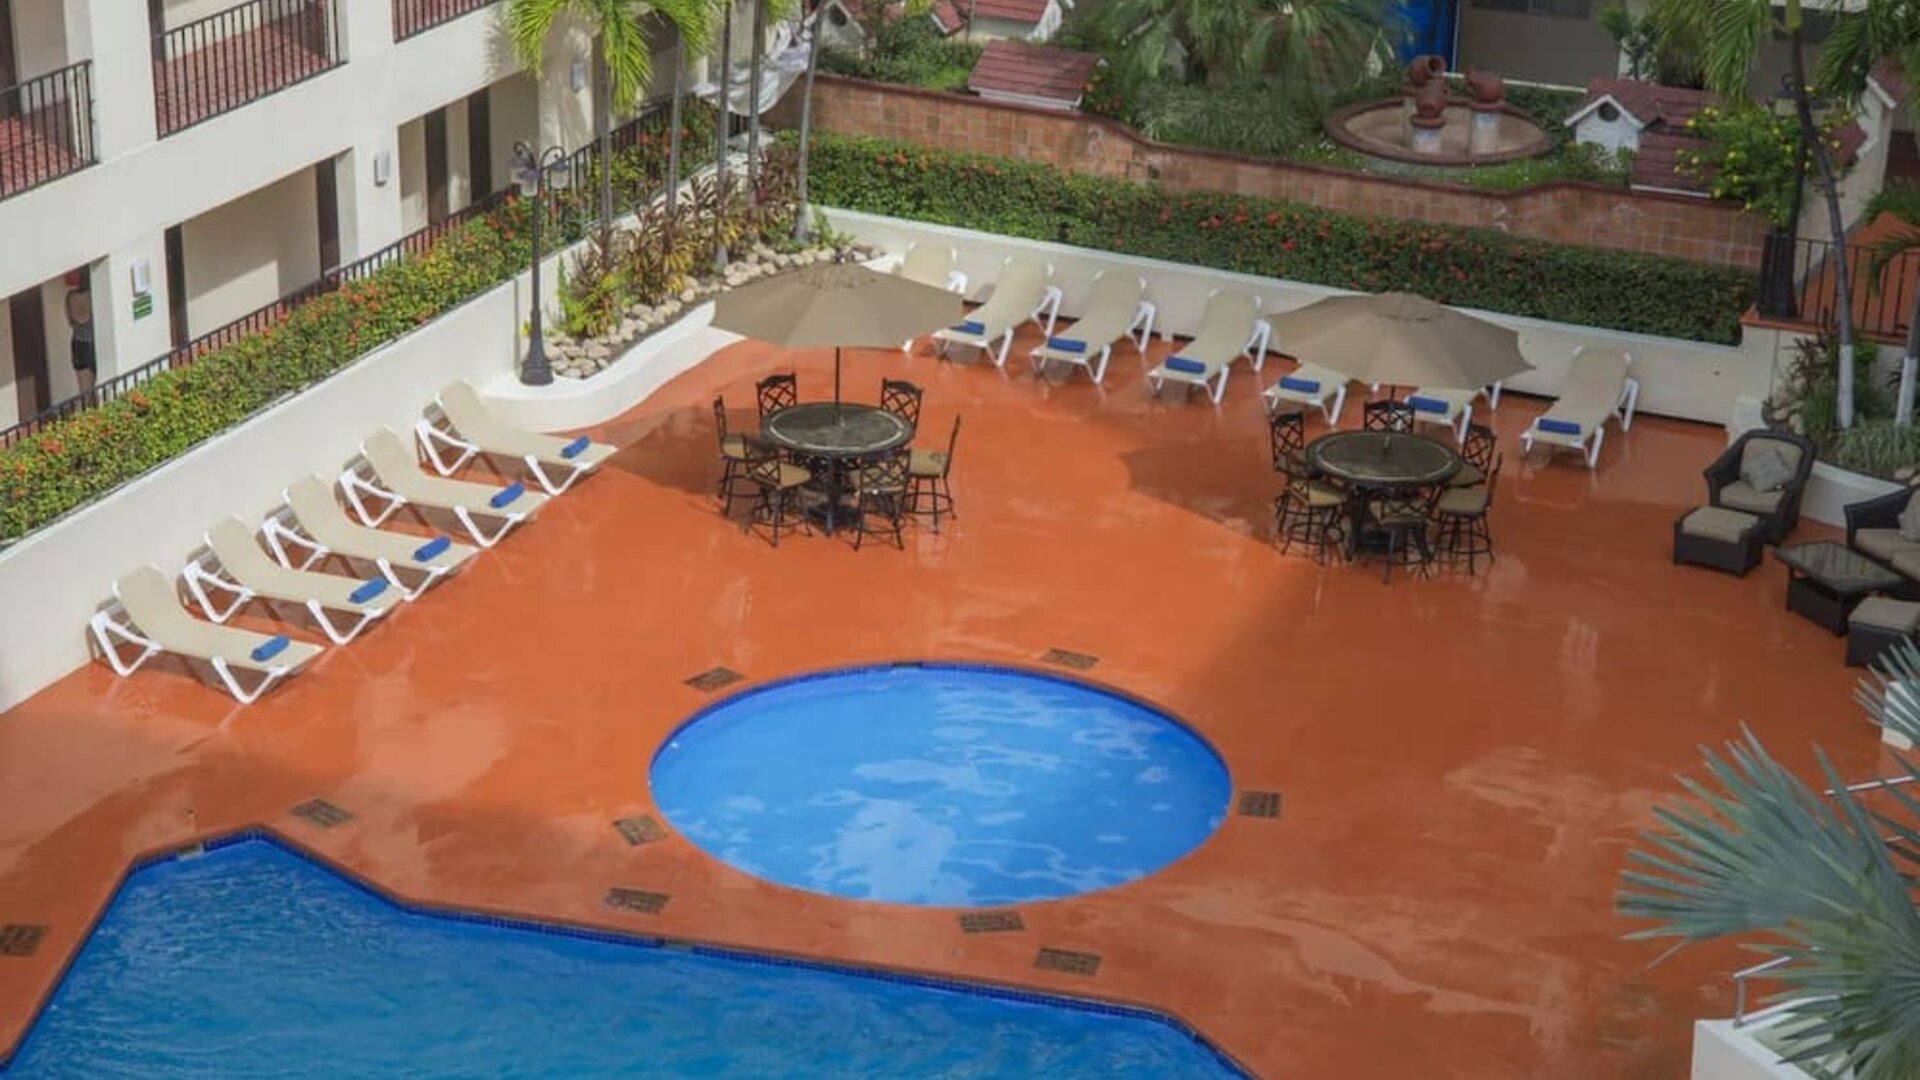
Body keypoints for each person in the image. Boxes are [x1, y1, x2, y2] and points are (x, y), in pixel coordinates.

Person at [65, 275, 95, 399]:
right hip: (91, 344)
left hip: (78, 344)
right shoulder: (90, 296)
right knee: (97, 387)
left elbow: (70, 322)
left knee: (84, 390)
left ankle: (85, 415)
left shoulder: (69, 297)